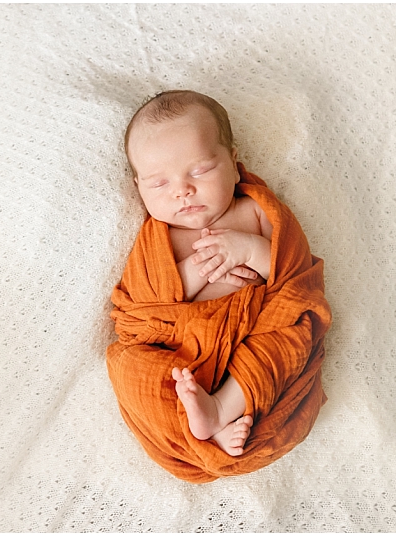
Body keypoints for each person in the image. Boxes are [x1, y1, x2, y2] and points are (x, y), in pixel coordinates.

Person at [123, 90, 273, 456]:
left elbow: (292, 275)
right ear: (138, 187)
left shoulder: (254, 212)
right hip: (183, 350)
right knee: (128, 366)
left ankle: (223, 407)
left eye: (200, 170)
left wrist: (251, 249)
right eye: (159, 183)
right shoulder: (158, 238)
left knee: (285, 339)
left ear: (235, 162)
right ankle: (204, 424)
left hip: (249, 334)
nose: (182, 191)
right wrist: (196, 268)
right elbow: (144, 307)